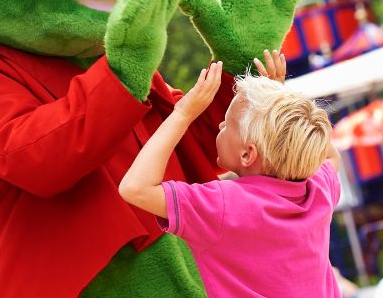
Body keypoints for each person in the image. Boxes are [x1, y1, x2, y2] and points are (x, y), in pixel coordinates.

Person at [119, 50, 342, 297]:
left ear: (248, 154)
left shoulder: (225, 206)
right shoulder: (317, 191)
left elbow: (134, 188)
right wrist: (279, 105)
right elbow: (329, 155)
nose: (221, 126)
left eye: (227, 123)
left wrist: (183, 114)